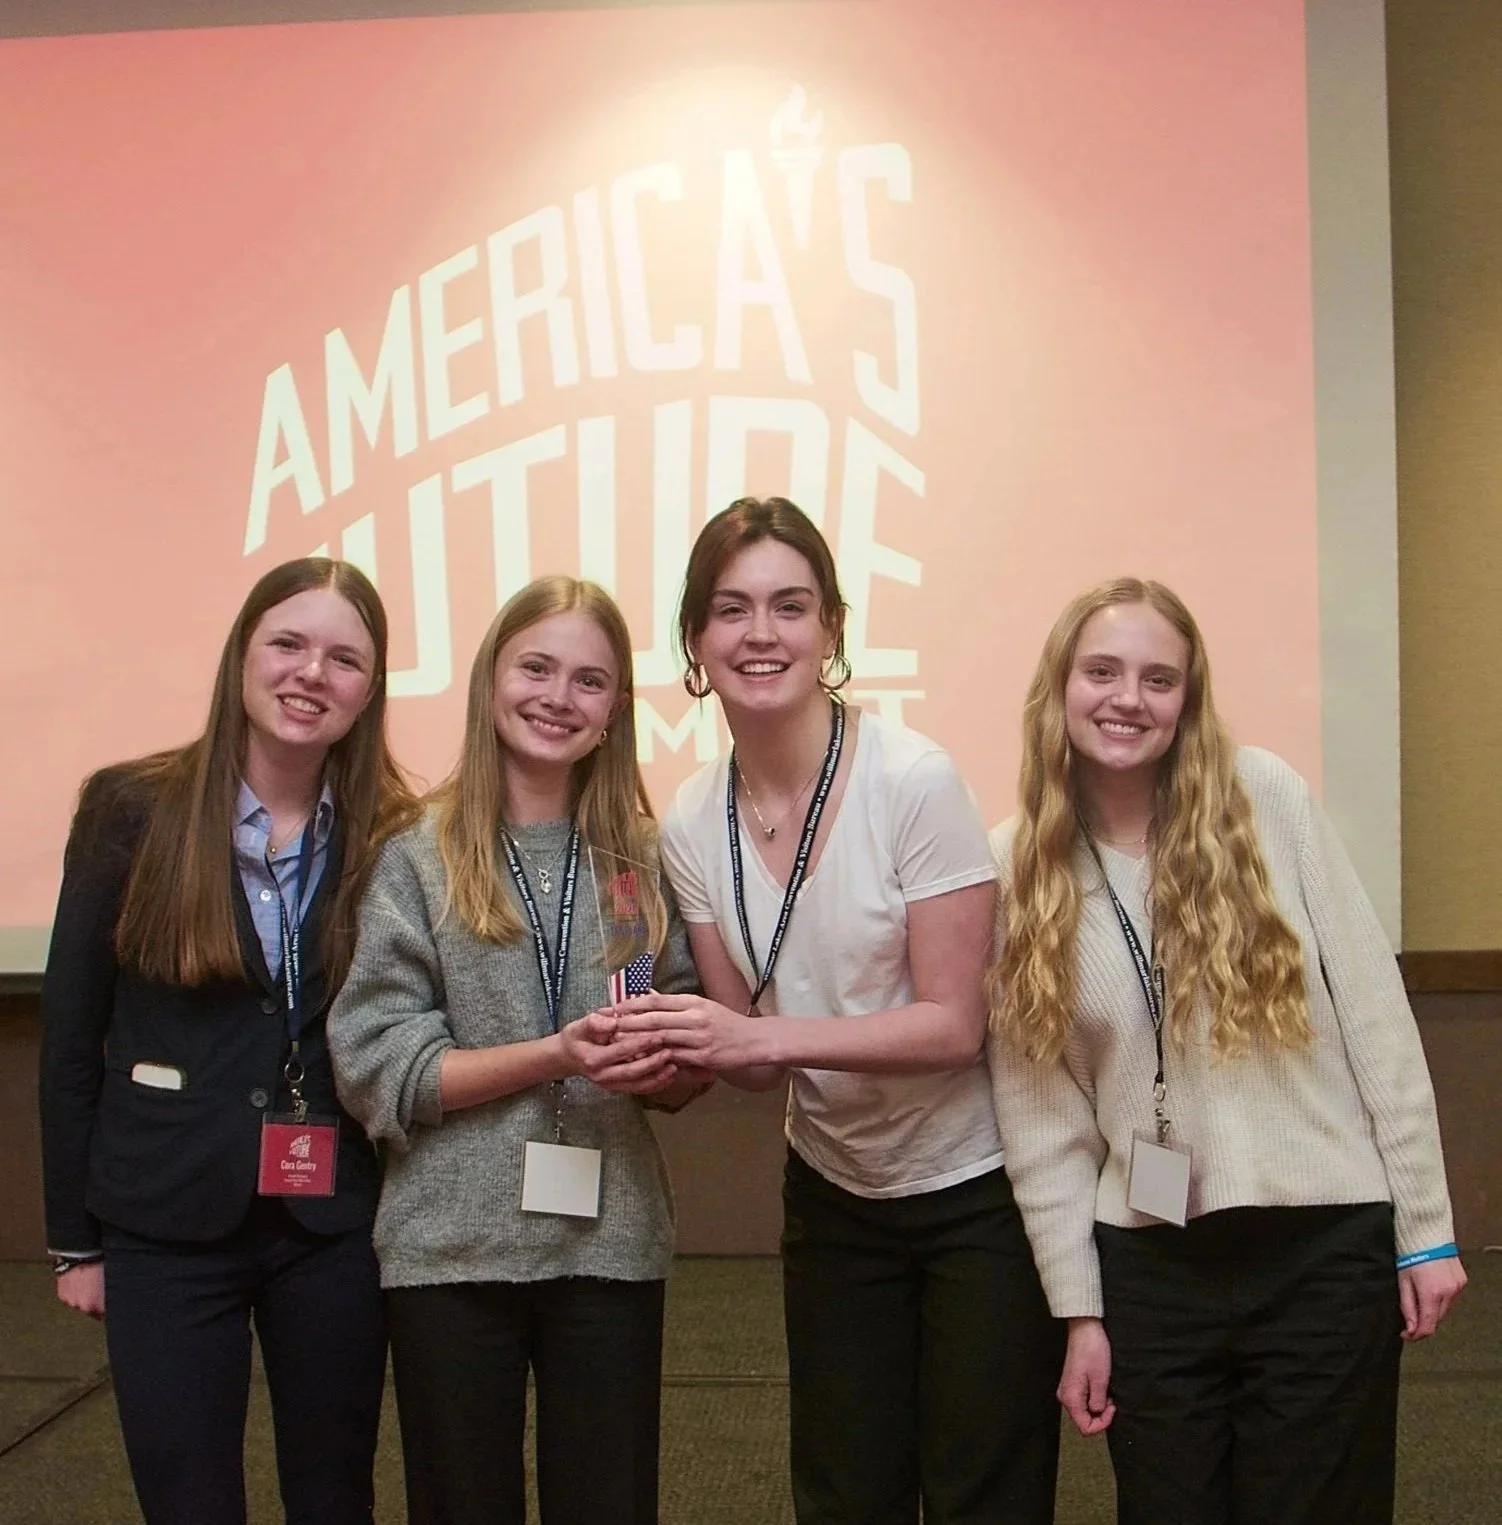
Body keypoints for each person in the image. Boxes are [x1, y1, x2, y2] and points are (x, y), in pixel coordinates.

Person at [613, 498, 1063, 1525]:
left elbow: (954, 1025)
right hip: (832, 1194)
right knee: (842, 1487)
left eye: (788, 605)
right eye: (729, 609)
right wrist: (659, 1043)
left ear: (830, 631)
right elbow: (754, 1065)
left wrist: (753, 1036)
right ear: (694, 640)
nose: (759, 633)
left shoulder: (911, 780)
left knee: (979, 1490)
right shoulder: (689, 815)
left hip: (973, 1193)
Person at [987, 576, 1466, 1525]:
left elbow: (1376, 1015)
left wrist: (1426, 1226)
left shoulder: (1265, 799)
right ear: (1061, 685)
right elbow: (1043, 1122)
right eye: (1104, 671)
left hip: (1322, 1245)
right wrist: (1080, 1312)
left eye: (1159, 678)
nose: (1129, 697)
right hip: (1151, 1266)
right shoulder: (1018, 862)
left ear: (1188, 699)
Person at [39, 557, 417, 1525]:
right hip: (162, 1219)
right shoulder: (131, 809)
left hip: (331, 1224)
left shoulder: (392, 831)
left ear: (369, 689)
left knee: (334, 1496)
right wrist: (73, 1243)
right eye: (287, 643)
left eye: (344, 658)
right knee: (187, 1501)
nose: (310, 674)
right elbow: (72, 1039)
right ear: (242, 655)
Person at [327, 575, 704, 1525]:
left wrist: (669, 1061)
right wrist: (555, 1054)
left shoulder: (640, 858)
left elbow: (685, 1028)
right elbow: (380, 1064)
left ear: (616, 709)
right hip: (448, 1248)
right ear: (491, 677)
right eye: (536, 666)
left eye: (589, 680)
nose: (557, 696)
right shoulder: (415, 853)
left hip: (609, 1240)